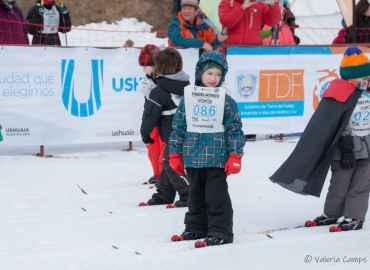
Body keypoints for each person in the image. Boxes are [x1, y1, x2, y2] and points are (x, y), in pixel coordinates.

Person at [270, 46, 370, 232]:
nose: (366, 80)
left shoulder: (366, 93)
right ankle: (331, 214)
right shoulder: (340, 94)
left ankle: (354, 216)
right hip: (344, 151)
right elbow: (330, 123)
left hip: (366, 150)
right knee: (339, 184)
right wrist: (345, 146)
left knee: (362, 184)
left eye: (367, 77)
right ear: (350, 77)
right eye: (363, 77)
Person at [169, 50, 246, 246]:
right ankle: (195, 228)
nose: (213, 78)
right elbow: (178, 128)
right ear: (199, 74)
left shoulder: (227, 102)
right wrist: (175, 154)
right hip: (193, 156)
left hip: (217, 157)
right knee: (195, 195)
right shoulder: (188, 101)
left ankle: (221, 231)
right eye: (209, 73)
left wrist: (235, 155)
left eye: (218, 74)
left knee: (216, 196)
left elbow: (235, 129)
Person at [140, 48, 190, 207]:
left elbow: (149, 117)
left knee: (170, 165)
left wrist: (145, 135)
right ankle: (163, 194)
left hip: (173, 135)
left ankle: (189, 194)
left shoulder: (158, 91)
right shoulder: (188, 87)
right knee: (167, 164)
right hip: (188, 134)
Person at [137, 44, 166, 185]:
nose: (143, 70)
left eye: (145, 67)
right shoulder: (147, 81)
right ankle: (157, 174)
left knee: (163, 150)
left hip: (165, 121)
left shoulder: (167, 79)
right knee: (152, 150)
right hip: (152, 121)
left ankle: (164, 176)